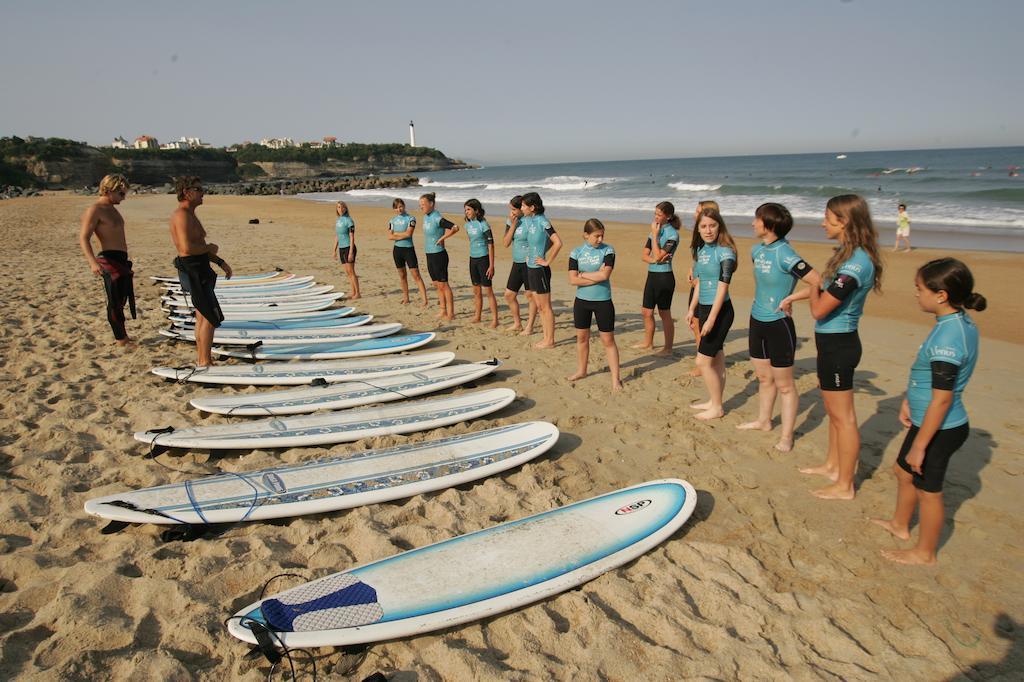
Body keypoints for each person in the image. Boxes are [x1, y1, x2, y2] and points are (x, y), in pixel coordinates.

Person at [871, 258, 984, 565]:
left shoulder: (949, 339)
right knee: (902, 471)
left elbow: (943, 399)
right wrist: (909, 399)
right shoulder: (953, 322)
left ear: (941, 295)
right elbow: (928, 379)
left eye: (919, 289)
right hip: (926, 419)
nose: (916, 294)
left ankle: (925, 552)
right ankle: (900, 524)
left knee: (929, 491)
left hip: (942, 428)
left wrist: (921, 445)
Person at [795, 194, 884, 500]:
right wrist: (814, 288)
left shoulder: (856, 264)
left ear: (844, 221)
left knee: (843, 417)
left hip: (840, 343)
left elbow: (820, 310)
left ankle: (845, 484)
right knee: (834, 413)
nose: (822, 223)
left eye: (828, 218)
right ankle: (833, 465)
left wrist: (813, 286)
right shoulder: (849, 256)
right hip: (831, 342)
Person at [738, 203, 819, 451]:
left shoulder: (785, 254)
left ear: (769, 224)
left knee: (785, 385)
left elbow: (818, 281)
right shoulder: (756, 250)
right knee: (764, 378)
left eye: (757, 219)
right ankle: (764, 421)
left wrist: (791, 298)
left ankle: (787, 436)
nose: (753, 223)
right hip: (756, 320)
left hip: (779, 324)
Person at [169, 176, 232, 367]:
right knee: (208, 317)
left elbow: (199, 246)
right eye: (198, 189)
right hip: (193, 269)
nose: (203, 192)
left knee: (202, 316)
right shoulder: (181, 215)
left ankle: (203, 358)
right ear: (187, 192)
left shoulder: (190, 214)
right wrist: (210, 247)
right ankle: (204, 361)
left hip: (200, 268)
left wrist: (220, 262)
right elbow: (187, 249)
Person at [685, 207, 737, 420]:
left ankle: (717, 407)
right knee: (717, 359)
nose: (708, 230)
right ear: (698, 229)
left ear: (719, 226)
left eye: (712, 225)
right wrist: (691, 309)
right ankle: (714, 401)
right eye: (704, 226)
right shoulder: (701, 251)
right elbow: (699, 284)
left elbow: (722, 287)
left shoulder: (725, 252)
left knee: (703, 362)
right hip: (705, 308)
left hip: (721, 310)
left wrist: (712, 319)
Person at [78, 174, 136, 346]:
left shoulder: (112, 208)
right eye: (121, 194)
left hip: (121, 258)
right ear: (110, 190)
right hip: (108, 258)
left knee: (122, 298)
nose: (123, 198)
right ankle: (121, 339)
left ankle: (123, 336)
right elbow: (83, 238)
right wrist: (92, 263)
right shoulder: (95, 209)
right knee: (115, 301)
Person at [567, 219, 621, 389]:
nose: (600, 239)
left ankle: (615, 379)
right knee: (582, 338)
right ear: (586, 235)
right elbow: (572, 280)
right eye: (596, 236)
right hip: (582, 302)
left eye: (602, 236)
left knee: (608, 340)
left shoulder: (608, 250)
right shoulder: (576, 252)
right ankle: (582, 370)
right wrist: (594, 275)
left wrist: (583, 275)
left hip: (603, 302)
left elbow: (605, 276)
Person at [632, 201, 681, 356]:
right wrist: (655, 259)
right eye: (655, 214)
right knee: (646, 311)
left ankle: (668, 348)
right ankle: (648, 342)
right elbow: (644, 255)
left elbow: (658, 254)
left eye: (659, 214)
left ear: (669, 216)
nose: (656, 217)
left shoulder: (673, 234)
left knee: (664, 313)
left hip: (665, 277)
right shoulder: (652, 231)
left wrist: (655, 235)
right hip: (652, 275)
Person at [521, 192, 563, 349]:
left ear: (532, 207)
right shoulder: (530, 221)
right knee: (539, 307)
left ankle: (550, 340)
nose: (522, 207)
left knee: (546, 307)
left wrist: (547, 261)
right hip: (531, 267)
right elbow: (543, 243)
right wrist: (533, 255)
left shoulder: (543, 221)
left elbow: (558, 242)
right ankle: (546, 338)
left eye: (524, 205)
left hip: (540, 270)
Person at [685, 200, 720, 376]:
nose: (694, 214)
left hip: (707, 290)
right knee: (695, 324)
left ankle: (703, 363)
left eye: (698, 211)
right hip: (697, 285)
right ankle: (703, 358)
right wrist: (693, 269)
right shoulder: (700, 235)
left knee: (701, 326)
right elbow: (700, 259)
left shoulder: (716, 241)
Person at [419, 192, 458, 320]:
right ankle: (442, 310)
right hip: (429, 254)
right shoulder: (426, 217)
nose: (421, 207)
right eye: (420, 205)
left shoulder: (437, 218)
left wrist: (443, 237)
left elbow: (455, 227)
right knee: (436, 284)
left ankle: (451, 313)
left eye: (423, 204)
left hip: (439, 255)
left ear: (431, 204)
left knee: (443, 284)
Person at [503, 195, 537, 334]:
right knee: (509, 295)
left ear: (522, 208)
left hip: (530, 264)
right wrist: (513, 225)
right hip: (517, 263)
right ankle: (517, 323)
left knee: (530, 296)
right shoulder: (511, 221)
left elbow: (548, 241)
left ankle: (529, 326)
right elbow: (505, 243)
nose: (512, 212)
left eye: (514, 209)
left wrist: (537, 254)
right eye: (510, 209)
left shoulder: (532, 221)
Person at [463, 198, 499, 327]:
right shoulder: (467, 225)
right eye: (465, 210)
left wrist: (491, 265)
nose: (466, 212)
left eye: (469, 209)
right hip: (473, 259)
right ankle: (477, 316)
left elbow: (491, 245)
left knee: (488, 291)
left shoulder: (483, 224)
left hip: (484, 259)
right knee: (476, 291)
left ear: (476, 210)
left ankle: (495, 320)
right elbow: (471, 241)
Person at [387, 198, 429, 306]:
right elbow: (389, 236)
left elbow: (409, 234)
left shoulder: (411, 218)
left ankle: (424, 300)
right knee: (402, 275)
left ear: (404, 206)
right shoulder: (392, 221)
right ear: (394, 209)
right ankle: (406, 298)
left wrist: (396, 234)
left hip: (408, 250)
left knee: (416, 275)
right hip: (397, 251)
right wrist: (401, 234)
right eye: (396, 207)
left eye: (401, 206)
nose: (399, 209)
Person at [332, 201, 360, 300]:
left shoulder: (349, 221)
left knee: (352, 272)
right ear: (337, 209)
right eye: (339, 207)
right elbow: (337, 236)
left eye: (343, 207)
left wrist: (351, 252)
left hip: (349, 247)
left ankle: (358, 293)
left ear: (346, 208)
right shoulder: (338, 220)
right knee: (348, 272)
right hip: (341, 248)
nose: (341, 209)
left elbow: (352, 237)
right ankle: (353, 292)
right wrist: (334, 250)